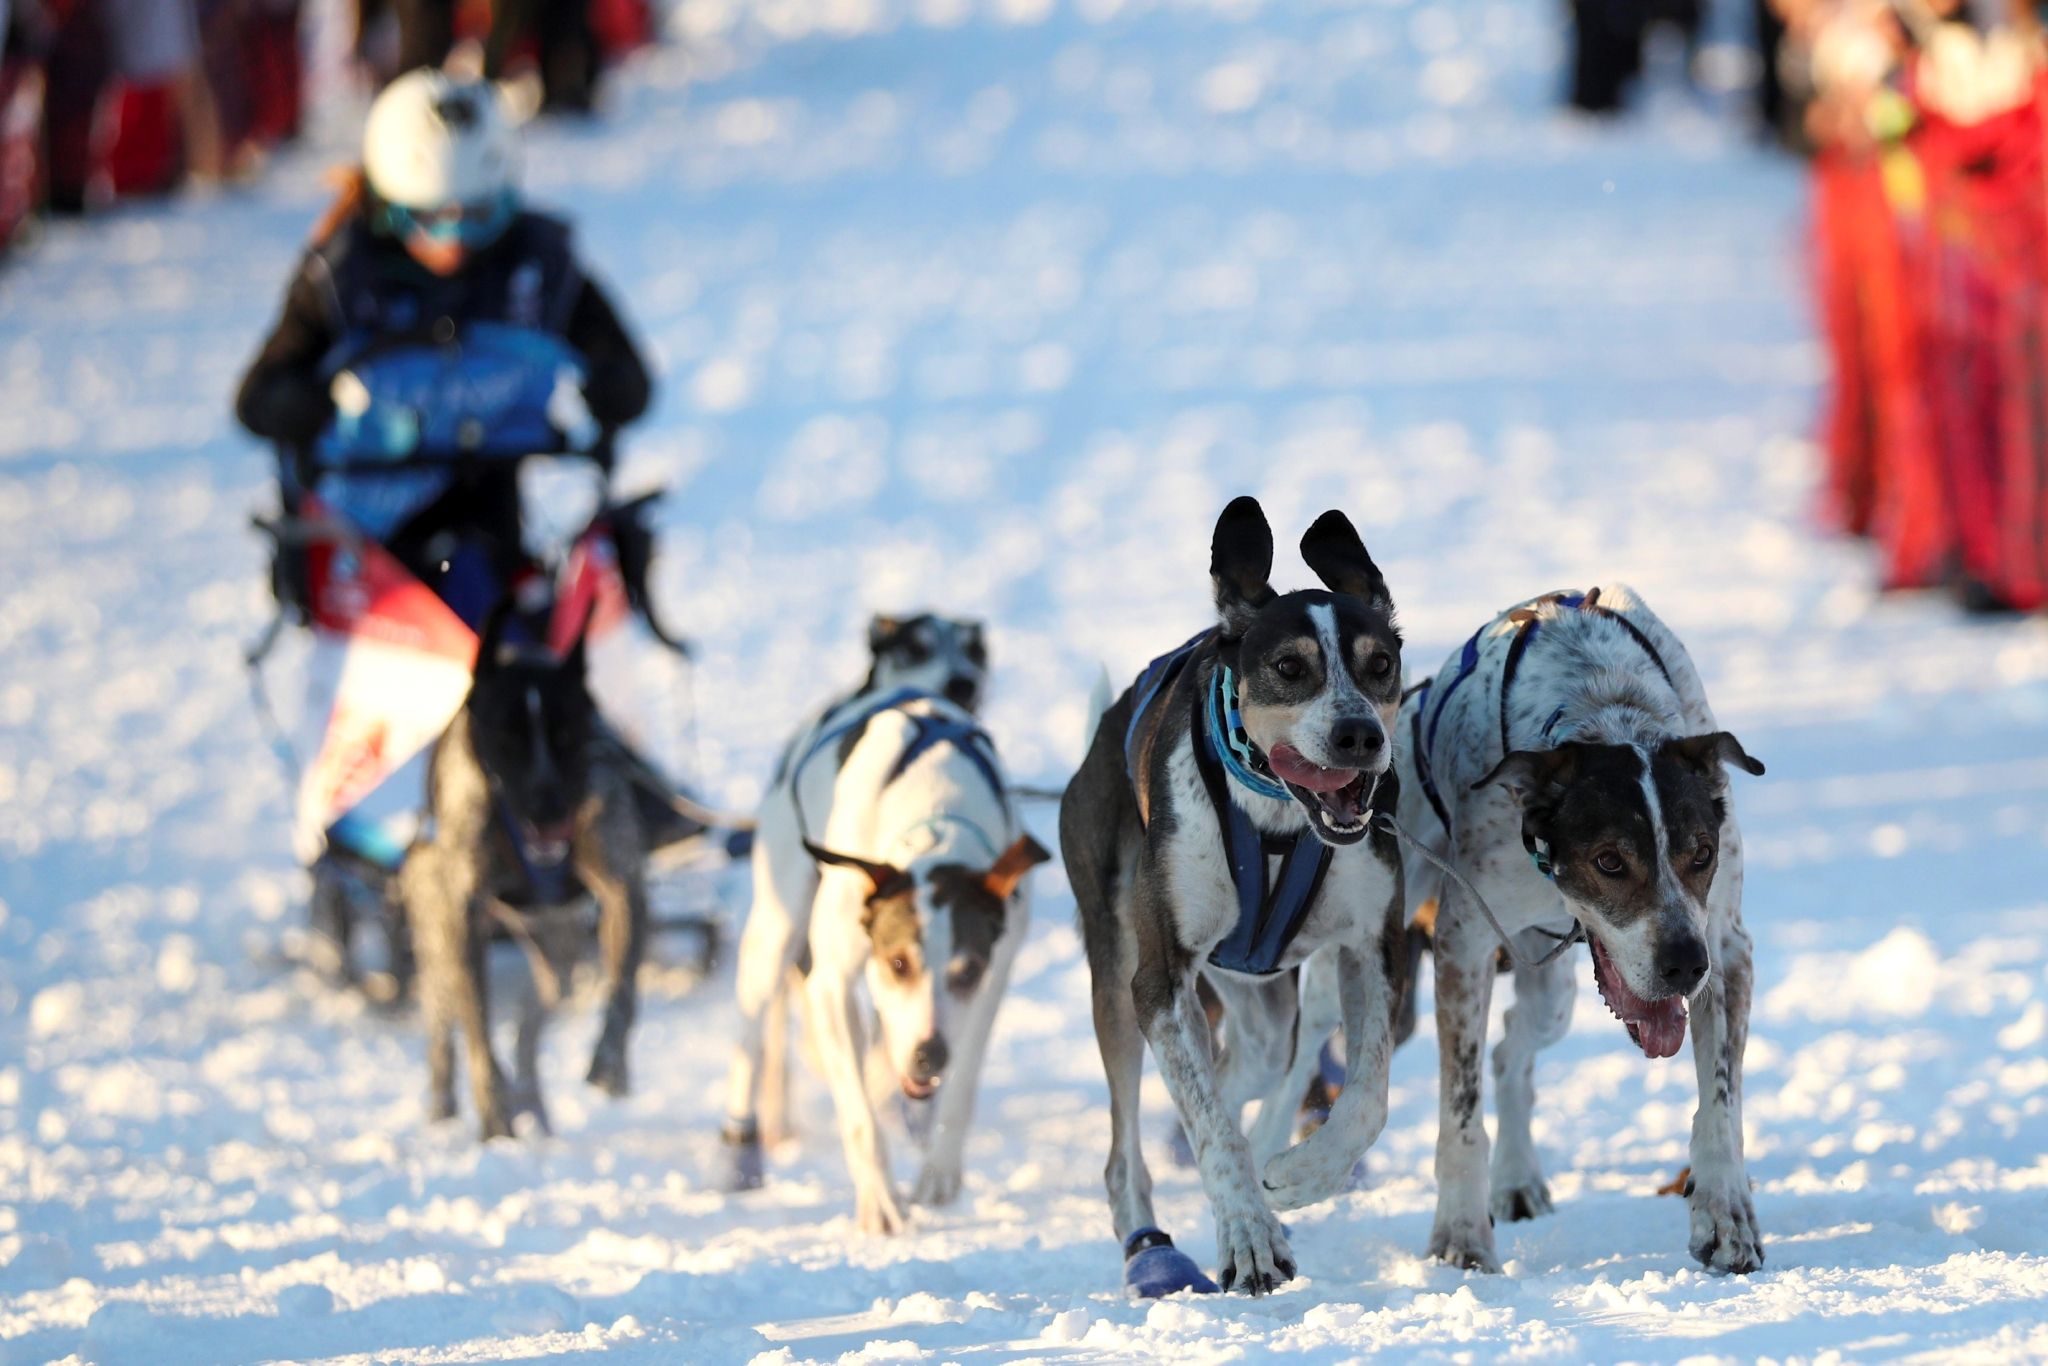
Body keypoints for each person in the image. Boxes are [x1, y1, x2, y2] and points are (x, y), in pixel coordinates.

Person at [235, 66, 651, 616]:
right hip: (370, 518)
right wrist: (298, 405)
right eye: (428, 218)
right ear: (388, 202)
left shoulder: (534, 266)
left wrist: (613, 384)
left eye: (478, 217)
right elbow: (258, 396)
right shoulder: (342, 276)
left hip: (491, 491)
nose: (453, 242)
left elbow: (622, 365)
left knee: (502, 598)